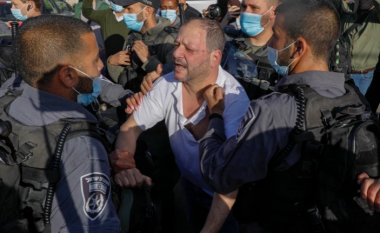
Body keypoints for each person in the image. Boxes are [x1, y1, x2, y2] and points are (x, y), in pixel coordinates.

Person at [200, 0, 380, 232]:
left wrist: (215, 116)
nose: (271, 43)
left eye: (276, 35)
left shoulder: (274, 110)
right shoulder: (355, 97)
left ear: (298, 48)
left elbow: (220, 174)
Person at [110, 18, 250, 233]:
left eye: (189, 49)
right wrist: (125, 165)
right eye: (176, 45)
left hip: (223, 200)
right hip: (189, 183)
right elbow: (130, 128)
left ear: (215, 58)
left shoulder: (234, 101)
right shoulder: (167, 83)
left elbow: (230, 180)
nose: (176, 54)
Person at [5, 14, 120, 232]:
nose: (101, 65)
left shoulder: (7, 96)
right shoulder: (81, 146)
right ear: (68, 76)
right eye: (95, 59)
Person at [106, 0, 175, 88]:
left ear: (147, 11)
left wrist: (148, 60)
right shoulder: (132, 36)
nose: (124, 13)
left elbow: (173, 81)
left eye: (129, 9)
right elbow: (124, 78)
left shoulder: (169, 40)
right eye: (124, 9)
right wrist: (112, 63)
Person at [222, 0, 281, 100]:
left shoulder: (284, 52)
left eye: (254, 8)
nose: (246, 12)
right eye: (244, 7)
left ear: (273, 11)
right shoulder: (227, 41)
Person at [330, 0, 380, 95]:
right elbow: (331, 4)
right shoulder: (347, 10)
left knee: (355, 106)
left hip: (363, 75)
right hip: (340, 70)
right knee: (337, 103)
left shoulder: (376, 15)